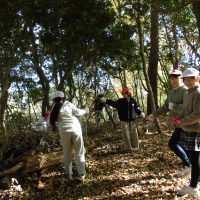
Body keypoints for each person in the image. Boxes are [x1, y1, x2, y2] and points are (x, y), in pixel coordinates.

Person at [146, 69, 191, 177]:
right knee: (181, 145)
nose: (174, 80)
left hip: (184, 122)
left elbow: (188, 107)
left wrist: (174, 106)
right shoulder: (171, 92)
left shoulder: (185, 90)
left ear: (181, 78)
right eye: (172, 78)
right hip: (176, 123)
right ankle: (187, 168)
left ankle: (189, 166)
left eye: (176, 77)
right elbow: (166, 106)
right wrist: (154, 114)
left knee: (173, 143)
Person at [172, 67, 200, 198]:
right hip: (188, 129)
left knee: (195, 159)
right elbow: (185, 110)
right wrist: (178, 118)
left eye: (191, 79)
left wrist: (181, 121)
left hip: (196, 129)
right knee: (194, 158)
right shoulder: (189, 92)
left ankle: (194, 187)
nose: (188, 82)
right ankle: (195, 184)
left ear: (197, 79)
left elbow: (197, 115)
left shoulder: (198, 93)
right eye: (186, 79)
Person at [49, 91, 89, 182]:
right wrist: (86, 110)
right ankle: (81, 175)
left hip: (64, 132)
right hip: (76, 129)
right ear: (63, 98)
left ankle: (69, 174)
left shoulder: (54, 109)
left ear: (53, 100)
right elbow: (78, 112)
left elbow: (49, 123)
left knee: (67, 153)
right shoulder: (68, 104)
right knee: (79, 152)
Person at [100, 87, 145, 152]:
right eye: (122, 94)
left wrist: (141, 113)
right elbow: (114, 103)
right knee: (126, 134)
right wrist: (106, 100)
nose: (123, 95)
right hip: (124, 121)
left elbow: (137, 108)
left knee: (134, 134)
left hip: (132, 120)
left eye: (124, 93)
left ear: (128, 93)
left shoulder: (133, 100)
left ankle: (135, 147)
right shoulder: (121, 101)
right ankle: (128, 148)